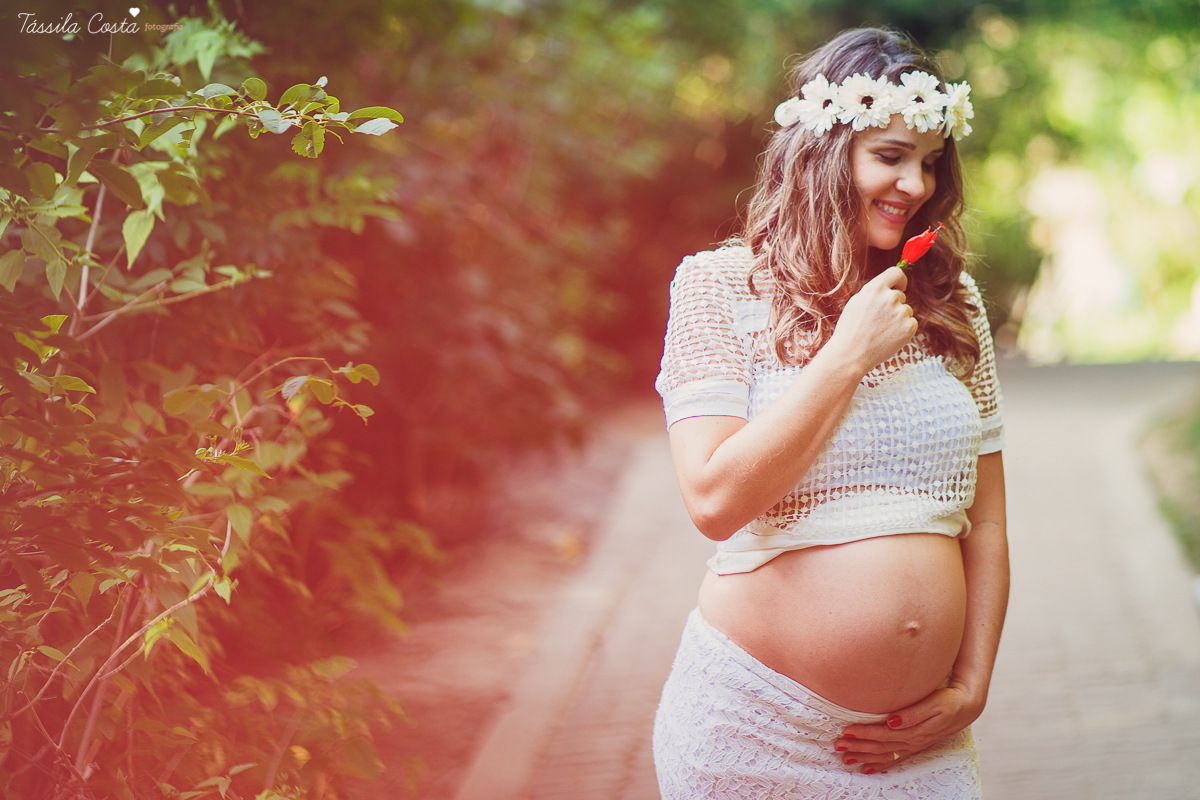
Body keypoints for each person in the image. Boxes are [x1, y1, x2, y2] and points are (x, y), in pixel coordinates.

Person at [651, 28, 1008, 799]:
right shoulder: (717, 288)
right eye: (890, 155)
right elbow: (712, 502)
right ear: (824, 151)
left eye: (930, 162)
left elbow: (992, 522)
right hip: (753, 727)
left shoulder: (951, 303)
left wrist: (973, 681)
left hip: (920, 741)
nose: (915, 184)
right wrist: (848, 356)